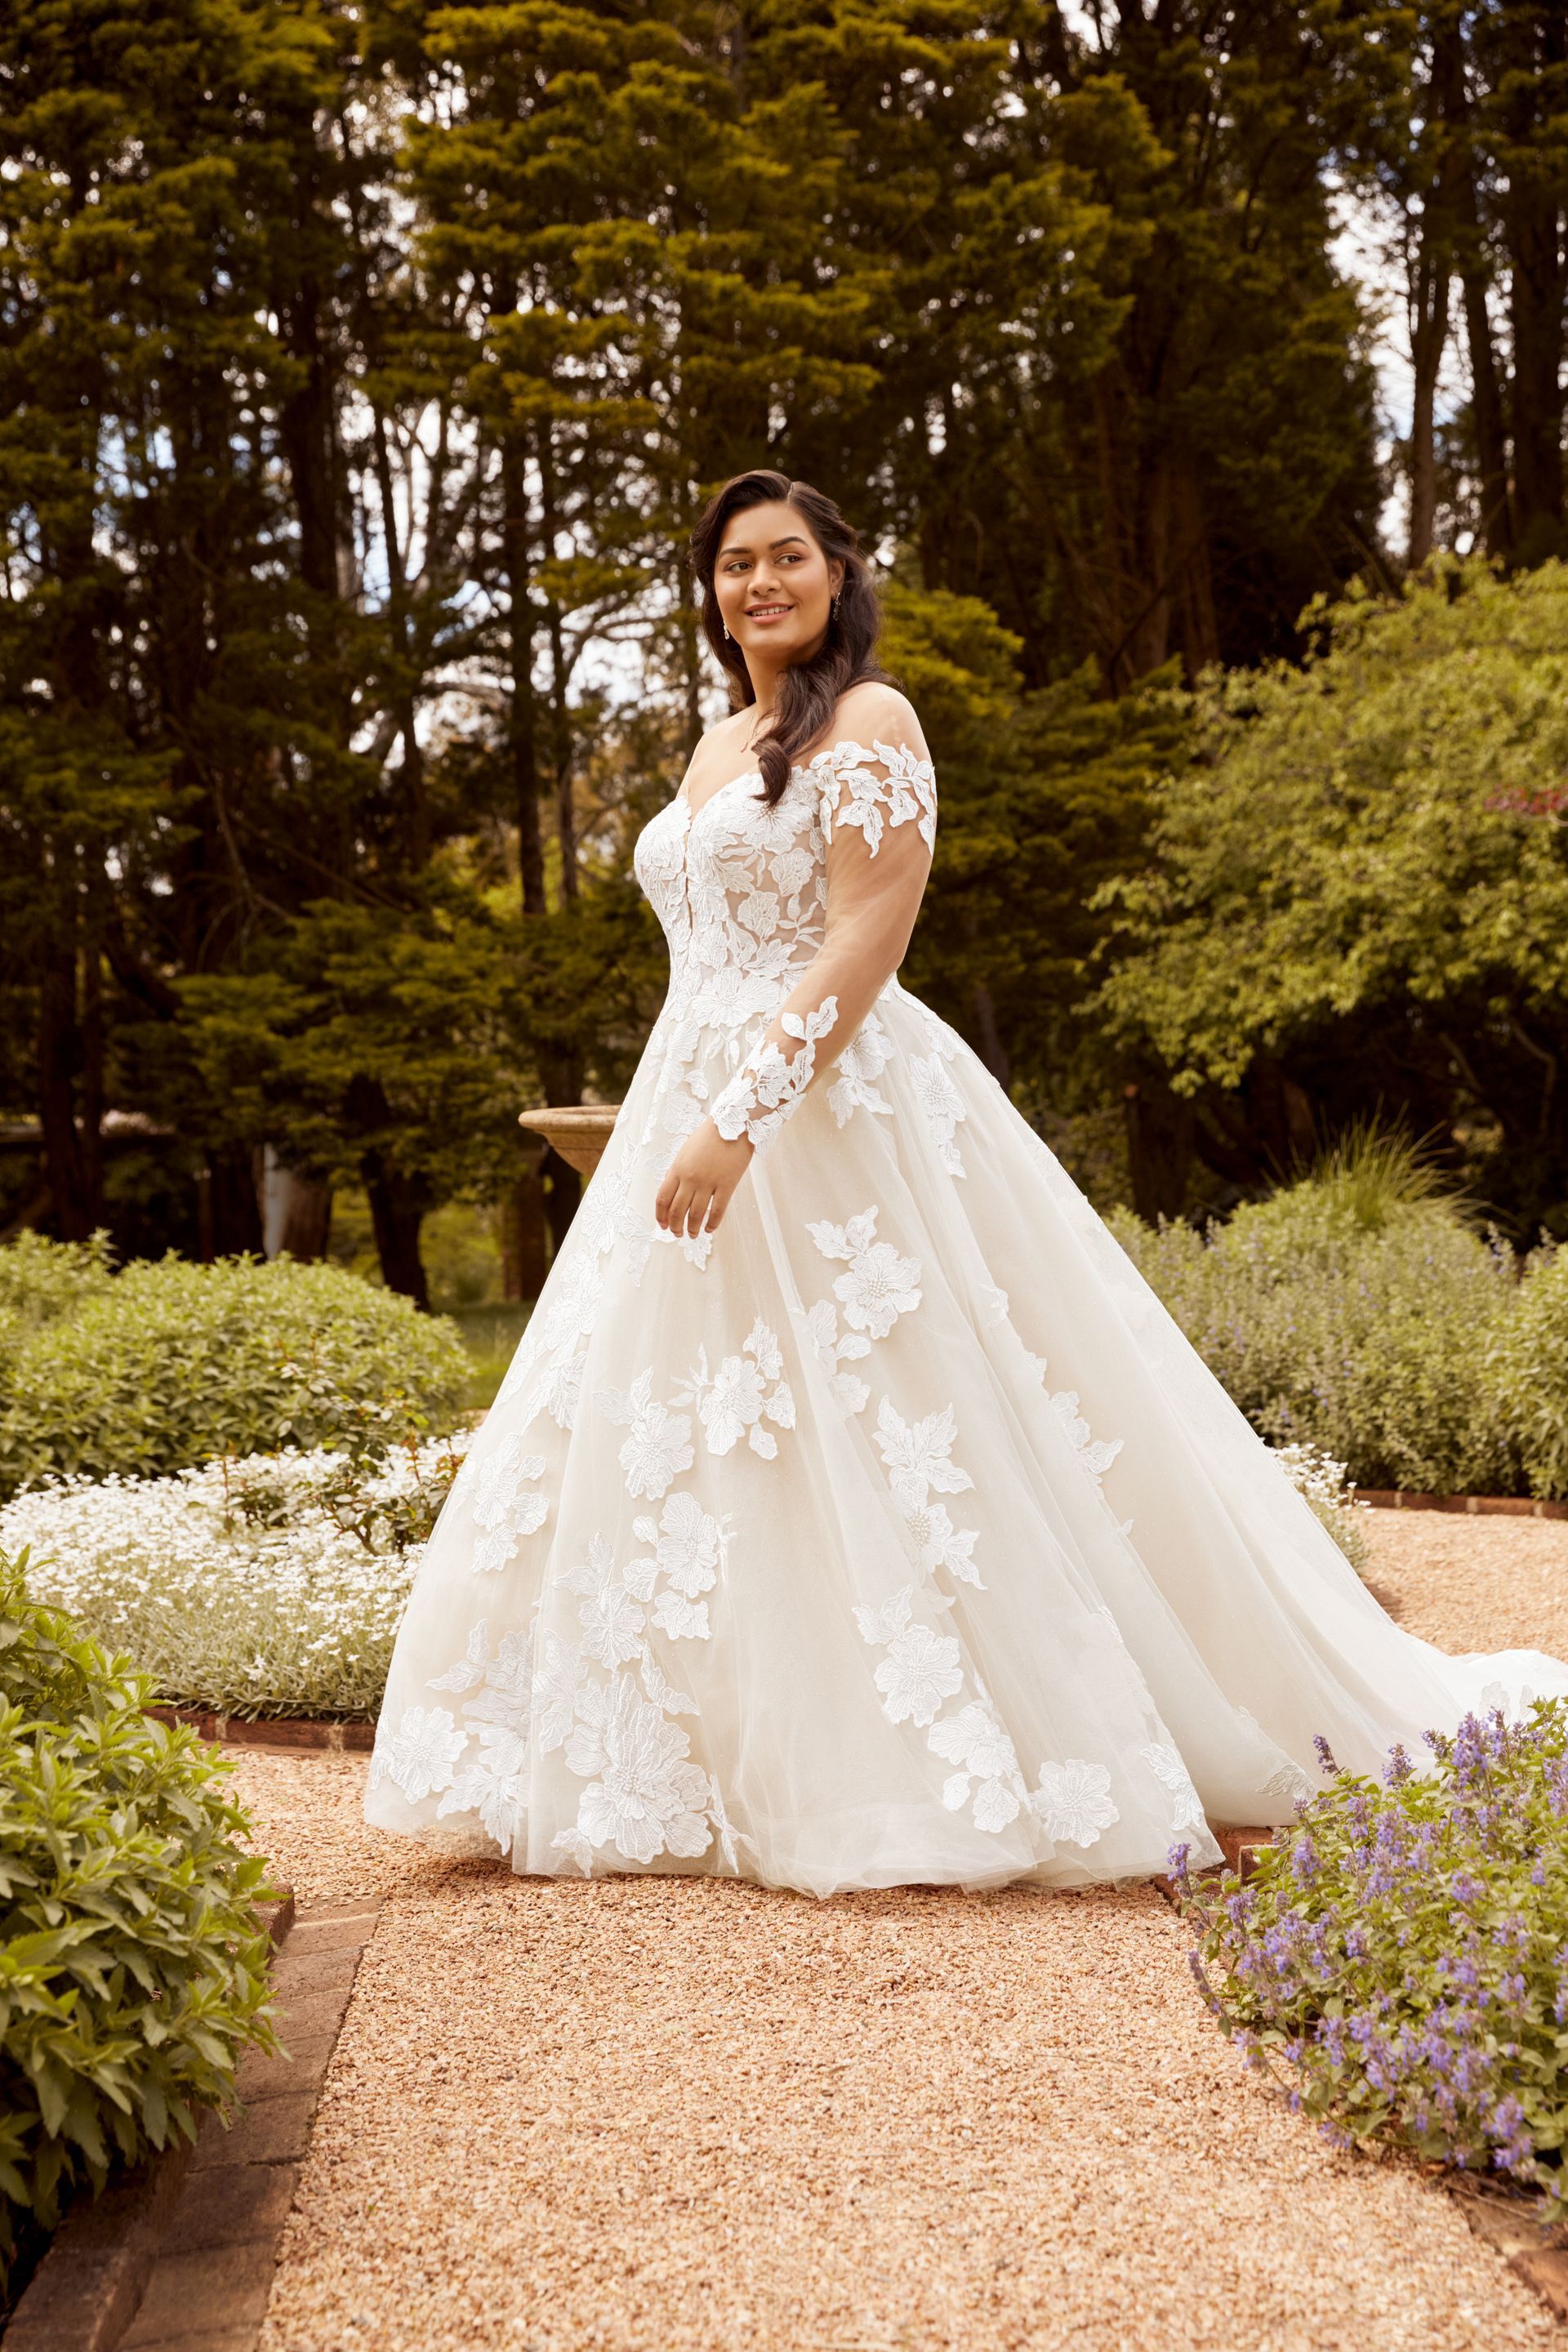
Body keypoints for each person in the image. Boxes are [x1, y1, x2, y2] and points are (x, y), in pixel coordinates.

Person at [365, 468, 1566, 1894]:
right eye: (735, 563)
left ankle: (944, 1756)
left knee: (905, 1418)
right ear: (709, 591)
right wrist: (678, 1103)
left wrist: (744, 1111)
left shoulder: (873, 723)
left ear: (836, 572)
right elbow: (707, 959)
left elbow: (866, 933)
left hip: (825, 1109)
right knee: (686, 1434)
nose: (761, 583)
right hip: (692, 1098)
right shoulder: (709, 749)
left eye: (788, 558)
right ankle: (685, 1758)